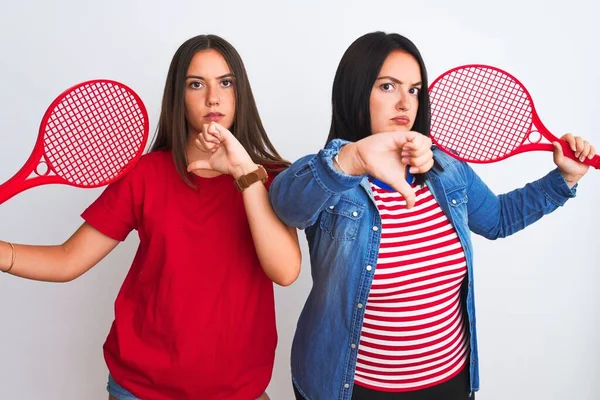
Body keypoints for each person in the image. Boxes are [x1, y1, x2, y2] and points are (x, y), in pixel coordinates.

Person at [268, 31, 595, 400]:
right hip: (350, 388)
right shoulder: (329, 176)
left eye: (414, 89)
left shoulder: (447, 168)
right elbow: (285, 204)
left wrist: (563, 179)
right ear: (356, 92)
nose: (405, 103)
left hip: (449, 383)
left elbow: (498, 219)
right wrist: (355, 158)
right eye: (388, 86)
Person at [0, 34, 301, 400]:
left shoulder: (272, 179)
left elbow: (285, 272)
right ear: (179, 95)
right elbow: (68, 260)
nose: (213, 97)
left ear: (241, 92)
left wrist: (243, 172)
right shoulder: (145, 175)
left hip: (239, 392)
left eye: (226, 82)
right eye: (196, 84)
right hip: (140, 390)